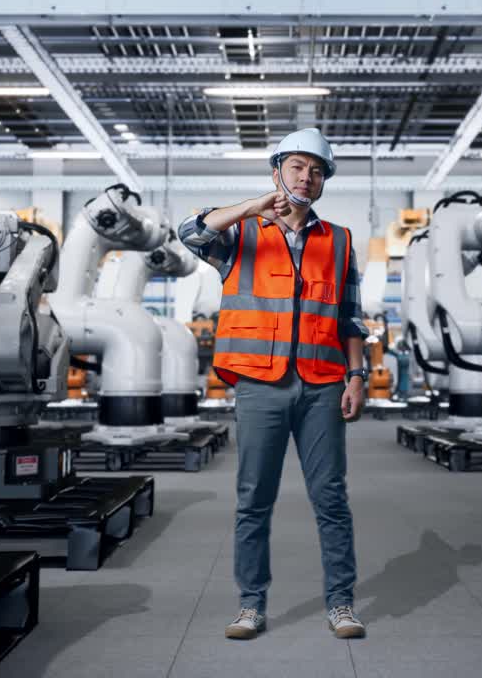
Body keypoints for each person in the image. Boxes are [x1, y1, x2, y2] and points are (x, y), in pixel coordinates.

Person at [177, 128, 369, 640]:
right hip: (260, 384)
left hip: (324, 384)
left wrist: (357, 376)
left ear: (325, 180)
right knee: (253, 499)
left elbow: (350, 318)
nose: (307, 177)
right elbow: (188, 232)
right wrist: (251, 208)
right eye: (297, 167)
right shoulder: (239, 237)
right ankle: (250, 605)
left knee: (330, 497)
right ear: (277, 171)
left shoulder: (341, 241)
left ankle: (341, 604)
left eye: (317, 170)